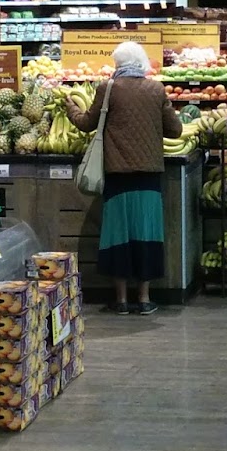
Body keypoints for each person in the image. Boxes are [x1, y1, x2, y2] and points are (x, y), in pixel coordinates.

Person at [66, 40, 182, 315]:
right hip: (149, 175)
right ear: (142, 63)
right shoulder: (156, 89)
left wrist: (70, 108)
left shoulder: (108, 89)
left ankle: (120, 300)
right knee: (146, 234)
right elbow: (175, 130)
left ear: (117, 64)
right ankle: (144, 298)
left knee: (117, 234)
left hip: (117, 174)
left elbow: (87, 123)